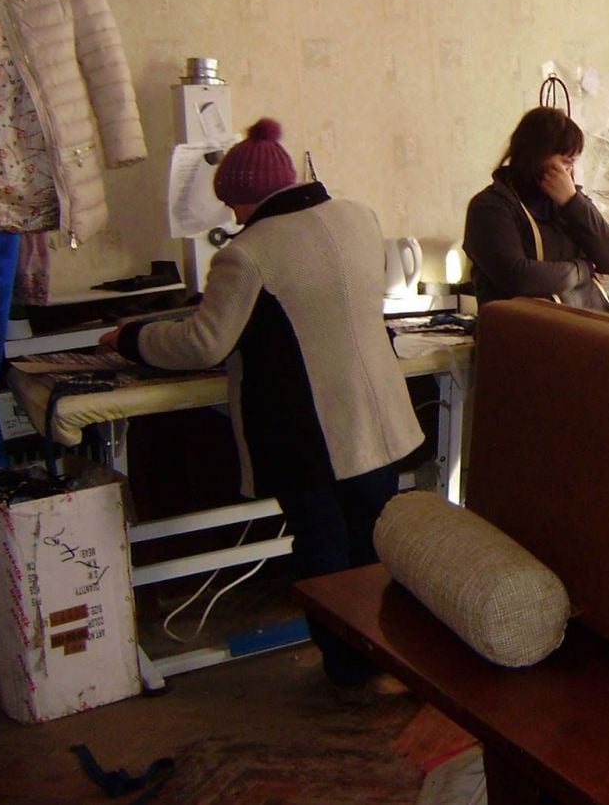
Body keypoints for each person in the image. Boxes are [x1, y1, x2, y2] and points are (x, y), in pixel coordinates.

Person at [101, 118, 423, 693]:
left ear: (246, 198)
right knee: (373, 547)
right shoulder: (358, 216)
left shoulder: (247, 254)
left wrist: (130, 338)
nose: (232, 217)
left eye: (233, 205)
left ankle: (349, 673)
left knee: (323, 554)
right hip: (378, 418)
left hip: (310, 434)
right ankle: (389, 660)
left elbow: (205, 342)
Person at [462, 106, 609, 311]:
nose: (570, 171)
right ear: (536, 157)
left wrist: (573, 202)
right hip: (522, 327)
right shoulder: (489, 207)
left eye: (573, 163)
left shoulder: (569, 203)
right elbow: (519, 278)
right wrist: (582, 270)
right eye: (566, 162)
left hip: (580, 324)